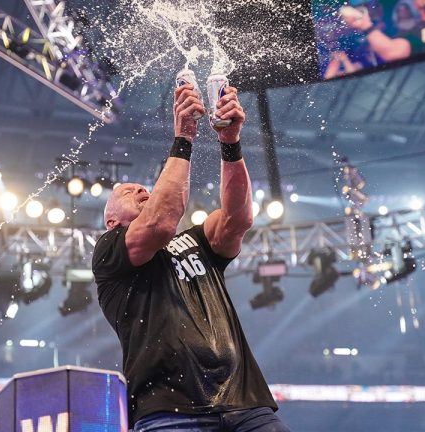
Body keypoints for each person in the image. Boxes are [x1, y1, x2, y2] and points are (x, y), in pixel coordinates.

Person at [92, 81, 289, 431]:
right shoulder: (109, 251)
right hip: (170, 410)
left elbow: (238, 219)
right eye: (128, 191)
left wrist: (231, 144)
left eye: (144, 188)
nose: (142, 189)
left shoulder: (195, 240)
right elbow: (161, 222)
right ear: (111, 221)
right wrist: (184, 137)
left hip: (245, 401)